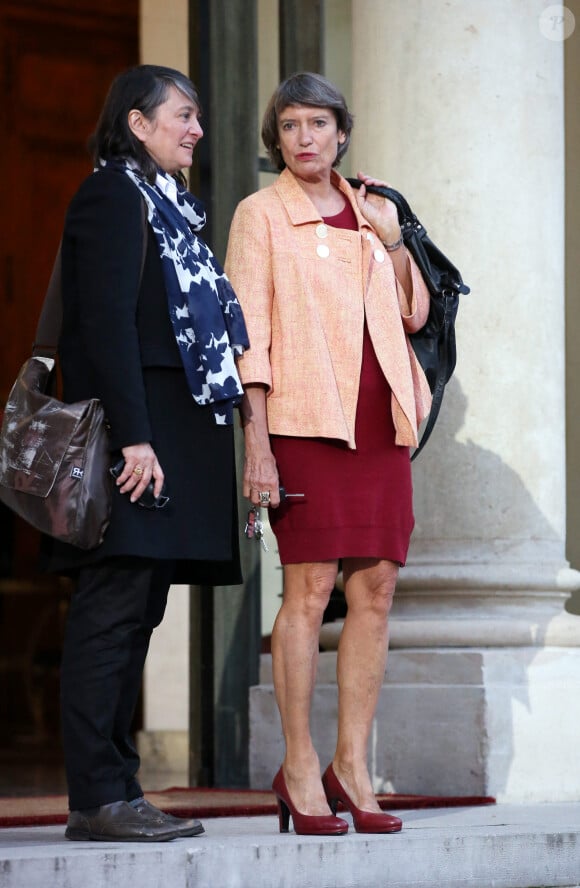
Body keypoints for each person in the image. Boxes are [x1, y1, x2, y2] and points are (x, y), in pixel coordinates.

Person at [225, 72, 432, 836]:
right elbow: (246, 336)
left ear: (342, 132)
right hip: (305, 424)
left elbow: (413, 311)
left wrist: (392, 236)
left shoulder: (374, 210)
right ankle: (301, 765)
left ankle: (353, 763)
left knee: (375, 590)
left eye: (318, 123)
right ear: (276, 139)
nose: (305, 137)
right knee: (308, 594)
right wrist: (259, 444)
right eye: (290, 126)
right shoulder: (260, 215)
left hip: (382, 423)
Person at [47, 65, 249, 842]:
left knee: (137, 616)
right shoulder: (111, 197)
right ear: (136, 122)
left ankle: (118, 787)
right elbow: (101, 327)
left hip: (173, 438)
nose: (196, 130)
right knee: (112, 614)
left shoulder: (173, 209)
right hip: (139, 442)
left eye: (198, 117)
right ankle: (98, 797)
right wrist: (135, 437)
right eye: (183, 116)